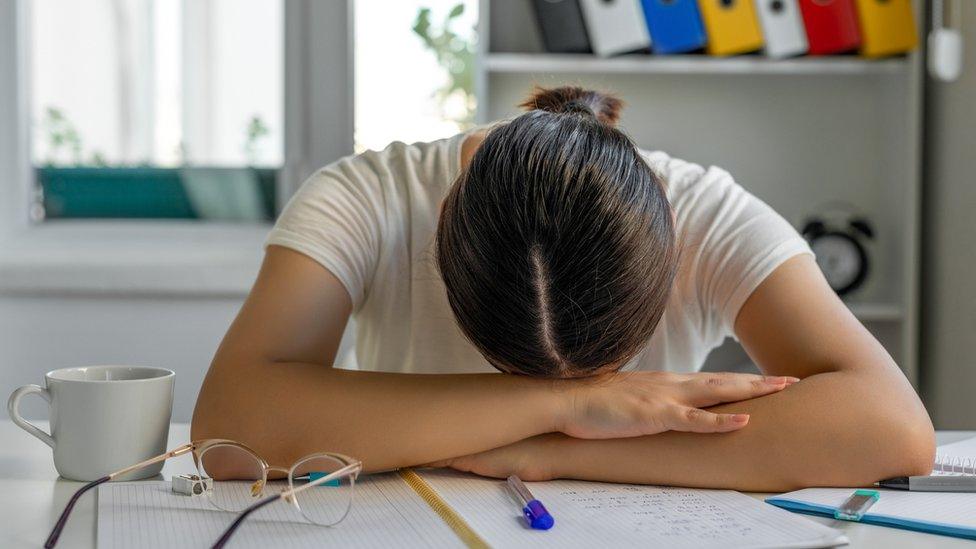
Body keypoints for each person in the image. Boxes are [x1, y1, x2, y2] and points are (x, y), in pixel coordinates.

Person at [192, 86, 933, 491]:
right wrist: (568, 405)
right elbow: (231, 427)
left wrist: (557, 449)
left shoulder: (704, 209)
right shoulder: (367, 198)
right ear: (443, 224)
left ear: (669, 235)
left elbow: (889, 427)